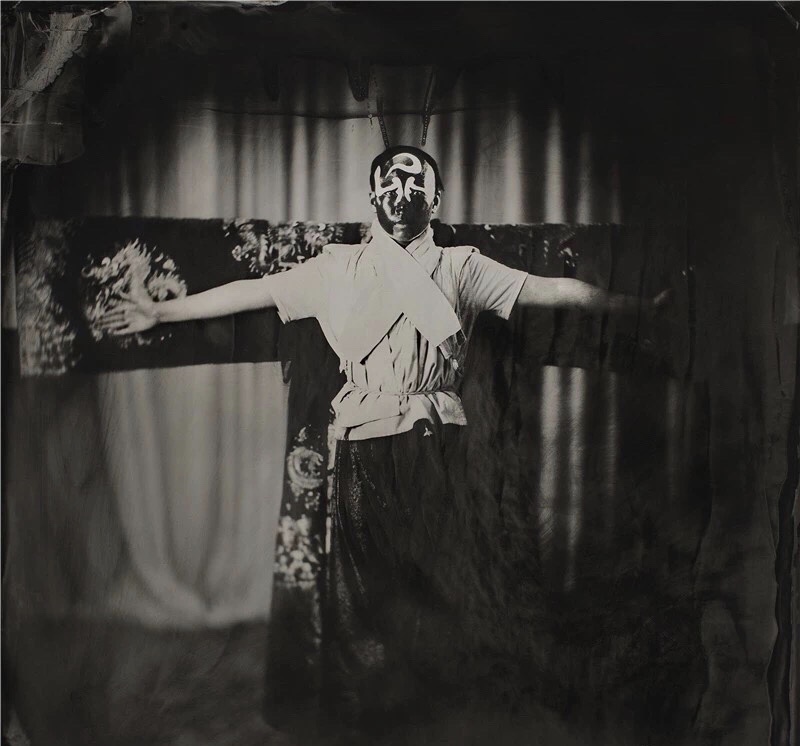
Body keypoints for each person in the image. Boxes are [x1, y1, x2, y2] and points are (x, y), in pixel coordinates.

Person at [99, 145, 670, 735]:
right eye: (389, 186)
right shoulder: (335, 269)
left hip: (435, 443)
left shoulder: (461, 267)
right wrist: (163, 314)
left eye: (414, 185)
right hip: (363, 446)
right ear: (372, 197)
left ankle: (427, 711)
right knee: (360, 591)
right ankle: (367, 715)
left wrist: (632, 308)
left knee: (435, 583)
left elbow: (550, 291)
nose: (401, 195)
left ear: (435, 200)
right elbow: (253, 292)